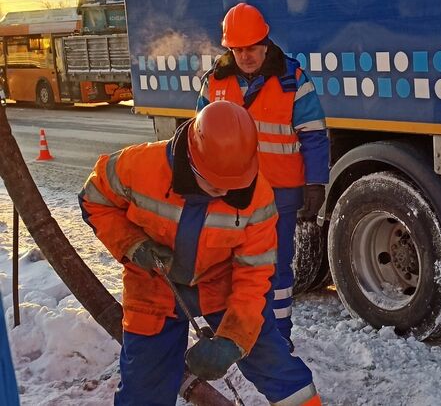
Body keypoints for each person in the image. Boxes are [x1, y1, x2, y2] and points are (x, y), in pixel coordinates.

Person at [79, 101, 321, 406]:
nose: (226, 192)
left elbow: (255, 275)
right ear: (193, 160)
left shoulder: (257, 196)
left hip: (221, 286)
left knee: (279, 370)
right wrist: (132, 244)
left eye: (234, 184)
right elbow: (94, 199)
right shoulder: (138, 166)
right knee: (144, 388)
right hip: (154, 286)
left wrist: (233, 340)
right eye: (217, 185)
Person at [197, 2, 330, 348]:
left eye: (252, 48)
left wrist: (316, 183)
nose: (245, 56)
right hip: (230, 193)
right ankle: (238, 333)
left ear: (265, 43)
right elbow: (198, 138)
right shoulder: (215, 82)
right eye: (238, 49)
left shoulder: (292, 80)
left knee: (276, 268)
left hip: (279, 194)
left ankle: (278, 338)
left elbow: (314, 135)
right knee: (229, 266)